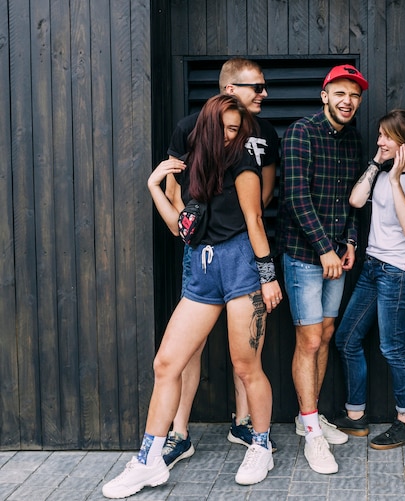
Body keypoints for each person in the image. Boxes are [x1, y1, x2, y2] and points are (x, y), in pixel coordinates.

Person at [102, 95, 282, 498]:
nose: (230, 136)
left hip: (240, 263)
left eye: (236, 129)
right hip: (201, 267)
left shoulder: (243, 163)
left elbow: (254, 219)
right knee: (166, 363)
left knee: (245, 363)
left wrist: (268, 276)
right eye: (224, 127)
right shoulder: (190, 166)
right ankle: (148, 461)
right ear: (205, 127)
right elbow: (182, 229)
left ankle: (261, 444)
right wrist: (154, 186)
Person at [161, 58, 280, 467]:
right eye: (257, 87)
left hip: (242, 247)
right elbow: (177, 185)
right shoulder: (190, 126)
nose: (264, 94)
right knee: (185, 348)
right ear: (230, 90)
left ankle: (246, 426)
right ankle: (177, 434)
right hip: (201, 250)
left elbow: (260, 198)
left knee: (243, 353)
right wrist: (193, 225)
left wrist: (236, 219)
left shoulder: (262, 133)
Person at [277, 64, 368, 474]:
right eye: (341, 93)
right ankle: (312, 432)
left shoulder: (354, 140)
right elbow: (295, 198)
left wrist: (348, 242)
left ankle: (306, 416)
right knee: (309, 339)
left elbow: (351, 200)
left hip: (336, 254)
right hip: (303, 254)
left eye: (355, 95)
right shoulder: (301, 133)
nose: (348, 101)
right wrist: (323, 250)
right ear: (325, 95)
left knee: (326, 334)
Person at [332, 109, 405, 449]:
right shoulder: (379, 171)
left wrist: (395, 180)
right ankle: (355, 417)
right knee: (347, 339)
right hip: (372, 267)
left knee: (393, 347)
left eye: (386, 136)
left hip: (401, 273)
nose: (379, 141)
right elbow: (355, 199)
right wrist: (378, 164)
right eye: (379, 134)